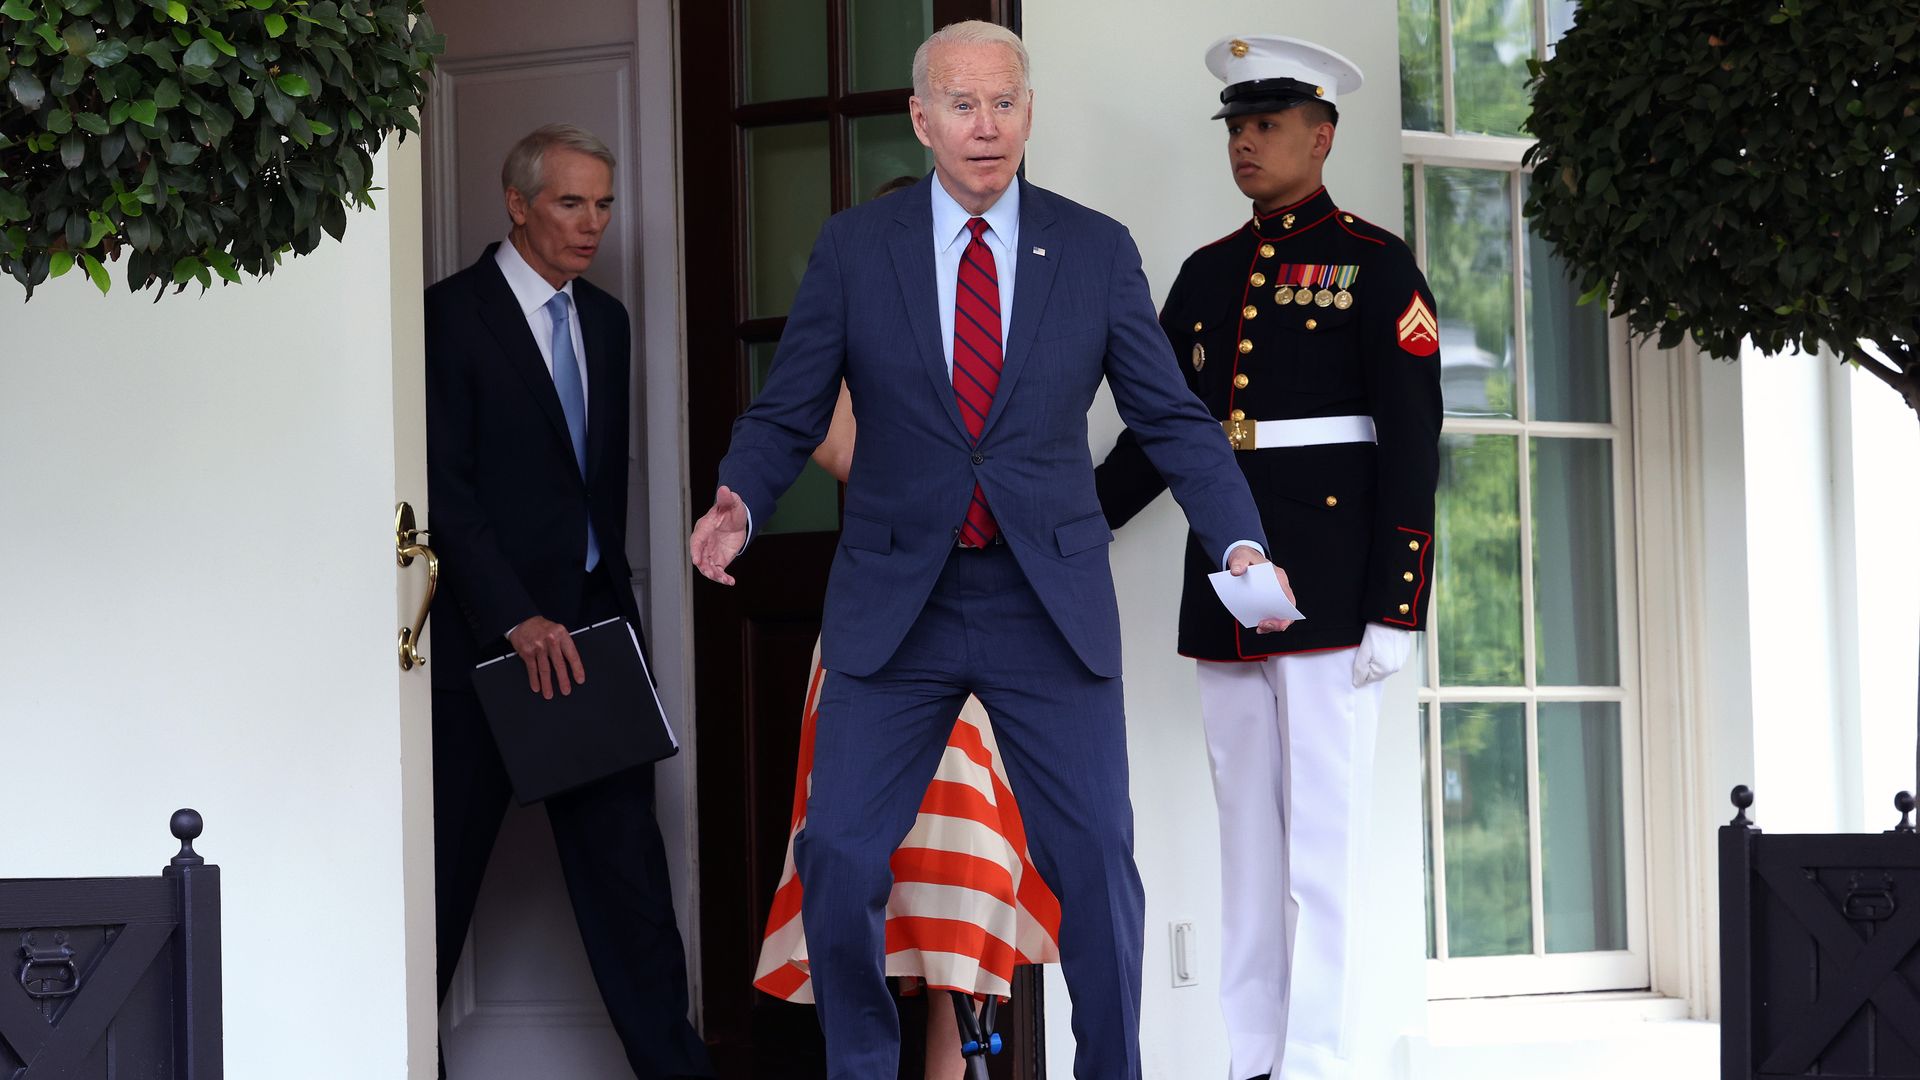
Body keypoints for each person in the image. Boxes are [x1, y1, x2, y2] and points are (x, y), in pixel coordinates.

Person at [689, 20, 1294, 1080]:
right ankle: (866, 1066)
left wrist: (1237, 541)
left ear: (1028, 113)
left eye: (1006, 103)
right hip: (896, 604)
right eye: (963, 106)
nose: (987, 127)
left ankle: (1110, 1068)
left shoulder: (1094, 249)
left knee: (1097, 862)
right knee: (836, 855)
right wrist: (739, 497)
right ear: (920, 120)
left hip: (1043, 601)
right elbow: (789, 408)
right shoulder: (852, 249)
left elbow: (1171, 418)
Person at [1093, 35, 1443, 1080]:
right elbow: (1161, 432)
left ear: (1321, 136)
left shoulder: (1376, 266)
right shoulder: (1206, 273)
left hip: (1338, 587)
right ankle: (1255, 1058)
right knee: (1247, 842)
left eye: (1268, 126)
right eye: (1237, 128)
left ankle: (1320, 1061)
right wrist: (1070, 526)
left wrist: (1399, 602)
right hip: (1229, 586)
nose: (1245, 144)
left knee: (1321, 852)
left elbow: (1413, 443)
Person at [424, 123, 712, 1080]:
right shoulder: (445, 319)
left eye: (603, 204)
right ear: (517, 204)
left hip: (591, 638)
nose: (592, 224)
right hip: (484, 650)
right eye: (569, 203)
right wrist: (513, 614)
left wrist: (594, 611)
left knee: (629, 879)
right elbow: (444, 490)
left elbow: (591, 489)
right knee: (438, 883)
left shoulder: (609, 321)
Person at [754, 377, 1063, 1080]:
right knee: (874, 870)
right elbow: (830, 438)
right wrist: (939, 478)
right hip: (889, 615)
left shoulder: (1024, 291)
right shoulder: (869, 279)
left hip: (1006, 611)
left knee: (973, 873)